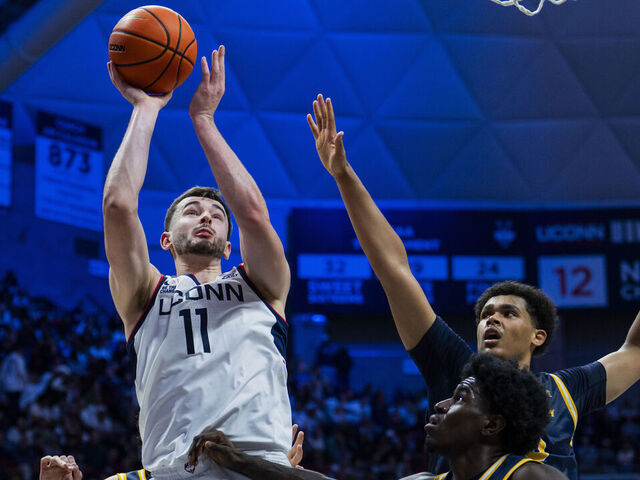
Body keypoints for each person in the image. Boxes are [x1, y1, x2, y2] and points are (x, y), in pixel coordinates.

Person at [306, 94, 640, 479]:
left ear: (538, 336)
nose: (491, 320)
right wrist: (344, 174)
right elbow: (394, 269)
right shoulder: (455, 368)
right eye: (485, 314)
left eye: (508, 313)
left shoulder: (566, 390)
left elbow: (635, 348)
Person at [103, 45, 293, 478]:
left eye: (216, 215)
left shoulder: (261, 285)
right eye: (192, 211)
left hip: (260, 468)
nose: (206, 214)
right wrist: (146, 107)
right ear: (166, 240)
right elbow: (117, 206)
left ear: (230, 246)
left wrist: (204, 120)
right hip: (172, 470)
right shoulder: (144, 293)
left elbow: (254, 214)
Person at [188, 354, 569, 480]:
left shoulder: (532, 475)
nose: (440, 405)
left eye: (460, 398)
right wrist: (240, 461)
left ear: (492, 423)